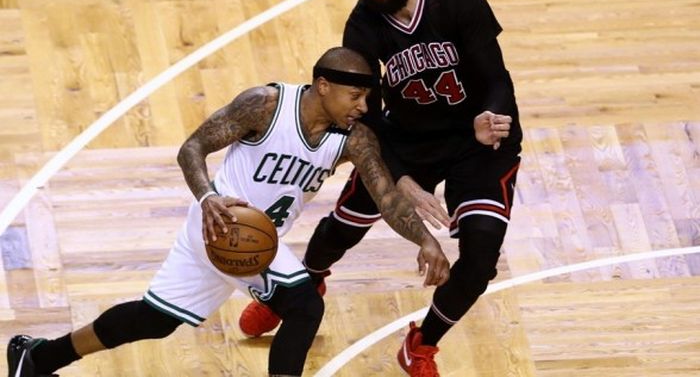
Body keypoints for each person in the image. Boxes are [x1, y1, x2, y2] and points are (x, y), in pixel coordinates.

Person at [6, 47, 451, 377]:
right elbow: (193, 147)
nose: (362, 107)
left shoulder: (353, 139)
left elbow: (386, 197)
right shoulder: (265, 105)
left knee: (153, 319)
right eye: (355, 96)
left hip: (255, 240)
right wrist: (207, 197)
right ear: (323, 86)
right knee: (303, 307)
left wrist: (426, 240)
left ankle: (39, 356)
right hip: (218, 224)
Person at [239, 0, 523, 377]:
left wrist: (490, 115)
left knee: (480, 261)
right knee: (342, 229)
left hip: (476, 141)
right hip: (405, 141)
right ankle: (300, 289)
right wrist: (400, 179)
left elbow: (496, 76)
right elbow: (363, 117)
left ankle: (421, 343)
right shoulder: (363, 26)